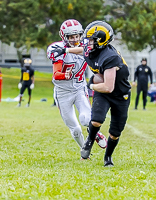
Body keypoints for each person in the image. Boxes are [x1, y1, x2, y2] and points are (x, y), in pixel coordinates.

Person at [51, 20, 131, 166]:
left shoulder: (110, 57)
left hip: (114, 91)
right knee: (88, 123)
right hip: (66, 92)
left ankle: (107, 158)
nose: (83, 41)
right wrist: (65, 50)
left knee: (111, 130)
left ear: (100, 41)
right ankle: (87, 145)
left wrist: (91, 85)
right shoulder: (91, 49)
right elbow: (80, 52)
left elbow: (108, 87)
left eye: (90, 39)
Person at [47, 19, 107, 156]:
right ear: (64, 36)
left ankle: (95, 134)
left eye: (77, 36)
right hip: (62, 92)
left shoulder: (86, 46)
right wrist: (64, 75)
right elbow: (56, 74)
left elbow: (92, 50)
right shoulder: (57, 49)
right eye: (71, 37)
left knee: (86, 119)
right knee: (75, 129)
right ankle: (85, 150)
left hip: (79, 88)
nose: (75, 39)